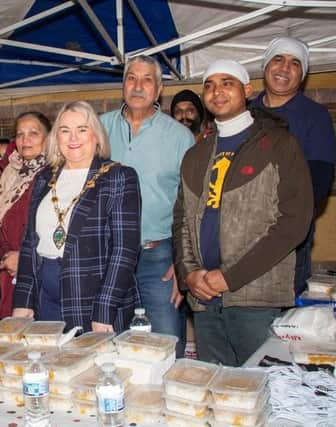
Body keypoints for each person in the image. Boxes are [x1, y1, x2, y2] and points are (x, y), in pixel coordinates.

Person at [173, 60, 313, 366]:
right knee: (219, 394)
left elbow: (294, 222)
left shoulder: (279, 144)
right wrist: (189, 274)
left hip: (254, 297)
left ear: (247, 90)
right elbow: (182, 221)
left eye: (227, 83)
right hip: (205, 298)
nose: (216, 91)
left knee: (263, 392)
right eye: (209, 85)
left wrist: (230, 276)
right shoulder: (195, 154)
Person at [12, 101, 141, 333]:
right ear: (55, 138)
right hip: (45, 297)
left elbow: (124, 251)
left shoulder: (119, 177)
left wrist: (105, 309)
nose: (73, 137)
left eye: (82, 129)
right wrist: (23, 300)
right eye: (65, 130)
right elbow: (30, 242)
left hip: (94, 299)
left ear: (97, 136)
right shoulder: (44, 179)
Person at [100, 55, 194, 356]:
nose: (138, 86)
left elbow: (192, 207)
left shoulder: (180, 137)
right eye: (131, 78)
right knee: (110, 348)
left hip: (160, 259)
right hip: (107, 255)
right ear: (122, 85)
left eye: (147, 79)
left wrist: (184, 264)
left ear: (159, 88)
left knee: (166, 347)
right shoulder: (98, 129)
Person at [251, 37, 336, 296]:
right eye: (278, 59)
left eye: (295, 63)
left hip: (288, 236)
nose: (284, 68)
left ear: (302, 74)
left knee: (283, 315)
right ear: (266, 66)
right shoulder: (244, 112)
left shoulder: (315, 116)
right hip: (238, 236)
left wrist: (279, 221)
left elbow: (318, 183)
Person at [0, 112, 50, 319]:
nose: (25, 140)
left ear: (47, 138)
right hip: (9, 271)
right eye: (20, 134)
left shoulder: (56, 174)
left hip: (41, 273)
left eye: (33, 133)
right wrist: (6, 255)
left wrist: (23, 260)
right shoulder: (11, 173)